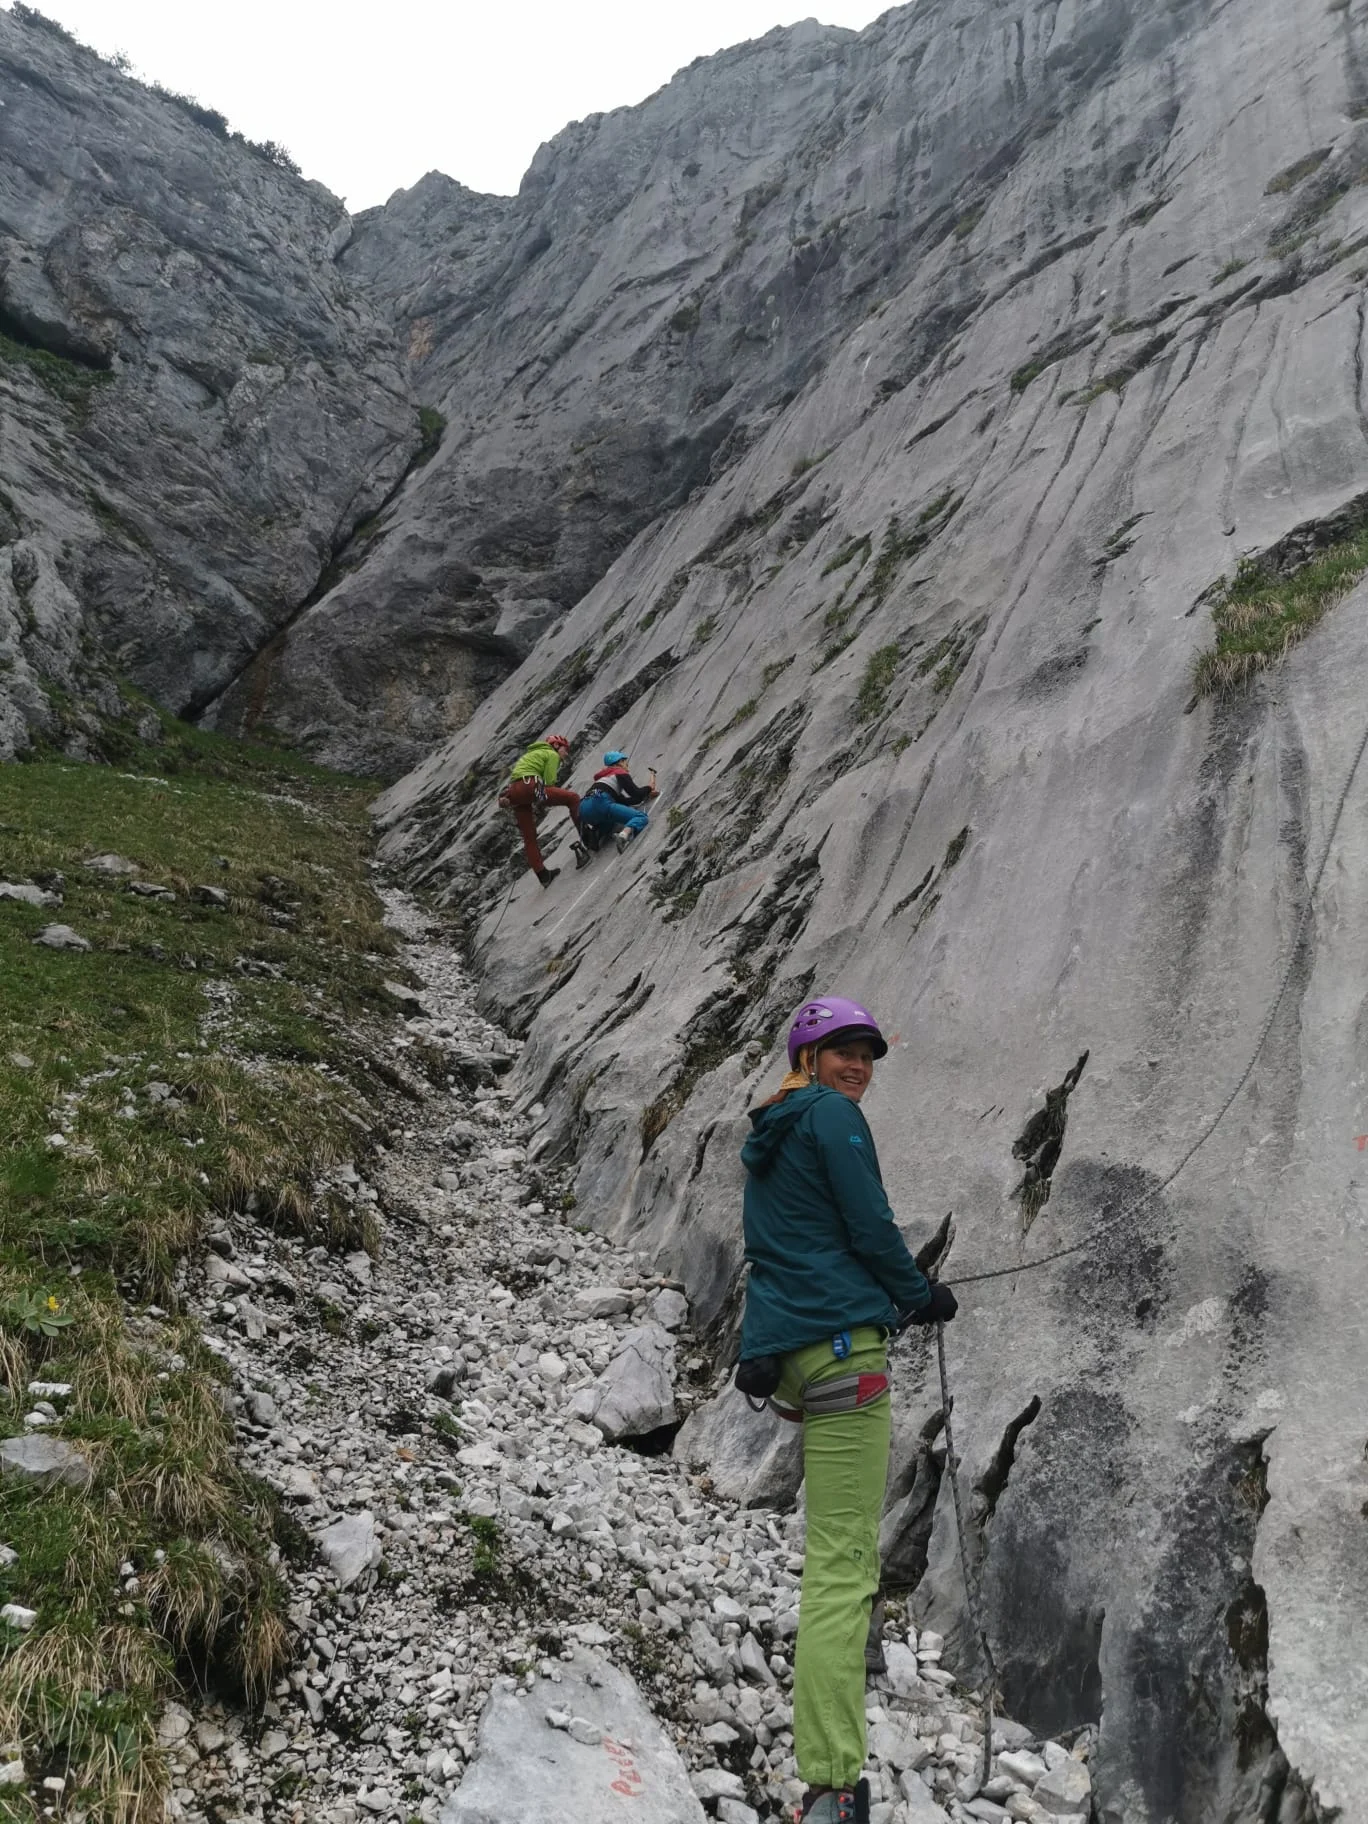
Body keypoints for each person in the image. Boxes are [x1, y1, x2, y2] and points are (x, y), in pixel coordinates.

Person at [736, 996, 958, 1824]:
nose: (857, 1063)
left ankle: (825, 1762)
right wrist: (916, 1294)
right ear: (807, 1056)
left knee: (829, 1558)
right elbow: (870, 1223)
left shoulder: (774, 1127)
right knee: (842, 1569)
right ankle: (831, 1783)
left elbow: (772, 1244)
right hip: (846, 1355)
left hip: (795, 1358)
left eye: (866, 1052)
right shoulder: (833, 1118)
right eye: (840, 1050)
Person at [498, 733, 580, 887]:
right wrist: (545, 798)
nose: (566, 753)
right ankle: (587, 835)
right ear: (556, 746)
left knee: (529, 837)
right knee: (573, 798)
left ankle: (543, 876)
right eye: (565, 749)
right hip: (532, 785)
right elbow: (550, 783)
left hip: (514, 792)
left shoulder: (531, 755)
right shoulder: (551, 754)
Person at [573, 750, 658, 862]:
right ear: (619, 763)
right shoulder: (619, 772)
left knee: (612, 820)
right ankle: (623, 836)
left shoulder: (602, 780)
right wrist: (648, 788)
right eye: (625, 762)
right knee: (641, 817)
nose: (627, 765)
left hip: (584, 807)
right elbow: (636, 793)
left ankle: (595, 834)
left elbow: (625, 801)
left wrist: (645, 793)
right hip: (600, 802)